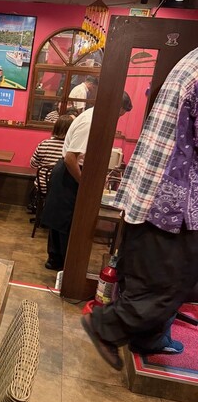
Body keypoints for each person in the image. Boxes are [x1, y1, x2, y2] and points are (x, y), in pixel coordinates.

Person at [81, 47, 198, 371]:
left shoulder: (191, 59)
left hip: (154, 194)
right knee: (167, 285)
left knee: (148, 278)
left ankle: (147, 339)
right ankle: (105, 326)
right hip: (173, 203)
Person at [41, 91, 132, 271]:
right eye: (119, 115)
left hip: (71, 170)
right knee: (66, 222)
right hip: (69, 172)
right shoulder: (90, 122)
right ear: (114, 107)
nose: (117, 119)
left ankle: (58, 262)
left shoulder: (93, 115)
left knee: (63, 221)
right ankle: (65, 267)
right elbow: (70, 159)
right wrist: (85, 185)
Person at [30, 114, 74, 195]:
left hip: (42, 188)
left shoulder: (44, 144)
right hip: (60, 191)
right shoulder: (71, 149)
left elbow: (33, 165)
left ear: (55, 128)